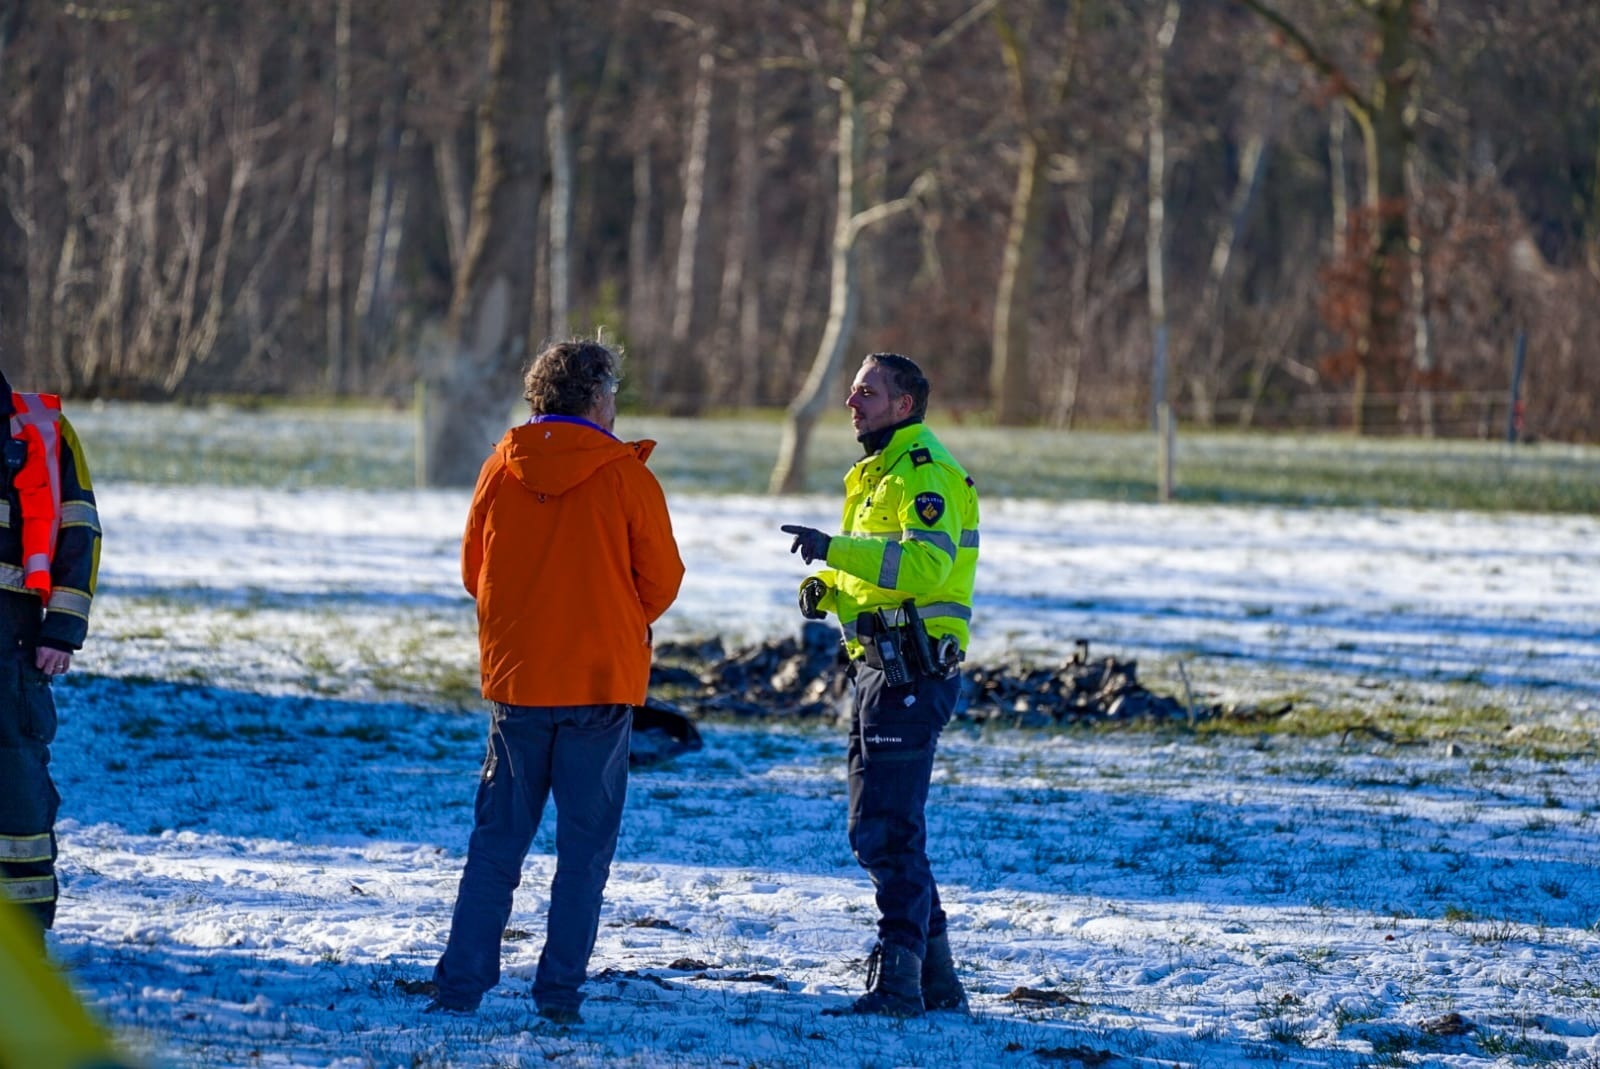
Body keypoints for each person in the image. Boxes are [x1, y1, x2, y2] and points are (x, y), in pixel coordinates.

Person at [426, 339, 685, 1023]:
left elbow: (473, 570)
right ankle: (558, 993)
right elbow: (663, 580)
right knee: (584, 852)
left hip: (519, 684)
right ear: (596, 397)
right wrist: (614, 617)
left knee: (496, 845)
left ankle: (461, 986)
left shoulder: (498, 468)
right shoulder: (625, 475)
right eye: (614, 394)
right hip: (600, 686)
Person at [779, 352, 980, 1018]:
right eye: (854, 389)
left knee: (883, 831)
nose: (850, 401)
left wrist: (833, 550)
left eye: (867, 390)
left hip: (912, 673)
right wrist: (827, 588)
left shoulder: (927, 473)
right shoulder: (878, 474)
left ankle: (899, 983)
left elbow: (924, 564)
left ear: (904, 404)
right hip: (879, 668)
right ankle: (936, 980)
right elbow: (879, 573)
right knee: (891, 829)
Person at [0, 370, 101, 939]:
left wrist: (61, 631)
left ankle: (21, 938)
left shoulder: (45, 430)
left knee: (16, 796)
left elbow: (80, 529)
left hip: (11, 646)